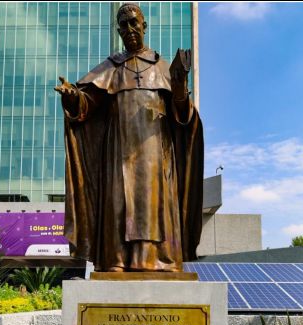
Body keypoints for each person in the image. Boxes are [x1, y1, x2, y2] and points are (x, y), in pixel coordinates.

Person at [55, 3, 203, 272]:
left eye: (134, 23)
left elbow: (182, 115)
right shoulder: (112, 67)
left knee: (154, 205)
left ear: (144, 26)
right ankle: (117, 260)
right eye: (123, 25)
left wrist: (180, 85)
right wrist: (73, 96)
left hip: (155, 150)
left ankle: (158, 260)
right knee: (119, 204)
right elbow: (87, 104)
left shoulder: (162, 67)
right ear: (119, 30)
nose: (129, 29)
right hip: (118, 149)